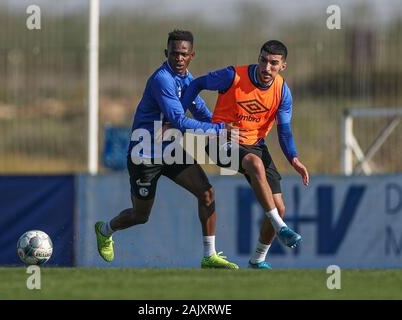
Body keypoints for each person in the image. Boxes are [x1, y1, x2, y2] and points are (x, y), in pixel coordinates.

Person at [94, 30, 238, 269]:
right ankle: (105, 230)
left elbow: (200, 110)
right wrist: (221, 129)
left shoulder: (187, 80)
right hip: (145, 155)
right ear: (166, 54)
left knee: (207, 193)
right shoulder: (162, 79)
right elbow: (179, 121)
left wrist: (222, 127)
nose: (179, 58)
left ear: (192, 55)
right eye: (174, 53)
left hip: (170, 150)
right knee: (141, 216)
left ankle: (209, 255)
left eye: (183, 54)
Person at [181, 40, 310, 269]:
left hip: (255, 145)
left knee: (279, 207)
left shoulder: (282, 91)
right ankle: (281, 228)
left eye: (273, 63)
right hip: (220, 140)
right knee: (254, 163)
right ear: (258, 58)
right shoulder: (233, 76)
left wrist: (294, 158)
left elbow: (284, 130)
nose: (266, 67)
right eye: (263, 60)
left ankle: (258, 260)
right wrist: (179, 113)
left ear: (283, 66)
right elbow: (197, 83)